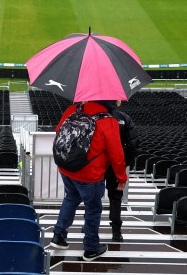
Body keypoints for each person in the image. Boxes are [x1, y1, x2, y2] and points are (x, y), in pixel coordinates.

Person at [49, 100, 127, 261]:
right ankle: (91, 248)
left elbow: (59, 131)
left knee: (70, 198)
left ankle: (58, 235)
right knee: (93, 209)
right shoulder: (108, 120)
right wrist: (121, 177)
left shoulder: (73, 109)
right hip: (90, 174)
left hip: (67, 168)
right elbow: (117, 154)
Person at [105, 102, 138, 242]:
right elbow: (133, 143)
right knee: (116, 198)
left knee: (92, 197)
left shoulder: (92, 117)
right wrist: (126, 163)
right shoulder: (124, 118)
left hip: (97, 163)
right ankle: (116, 232)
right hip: (116, 163)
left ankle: (88, 226)